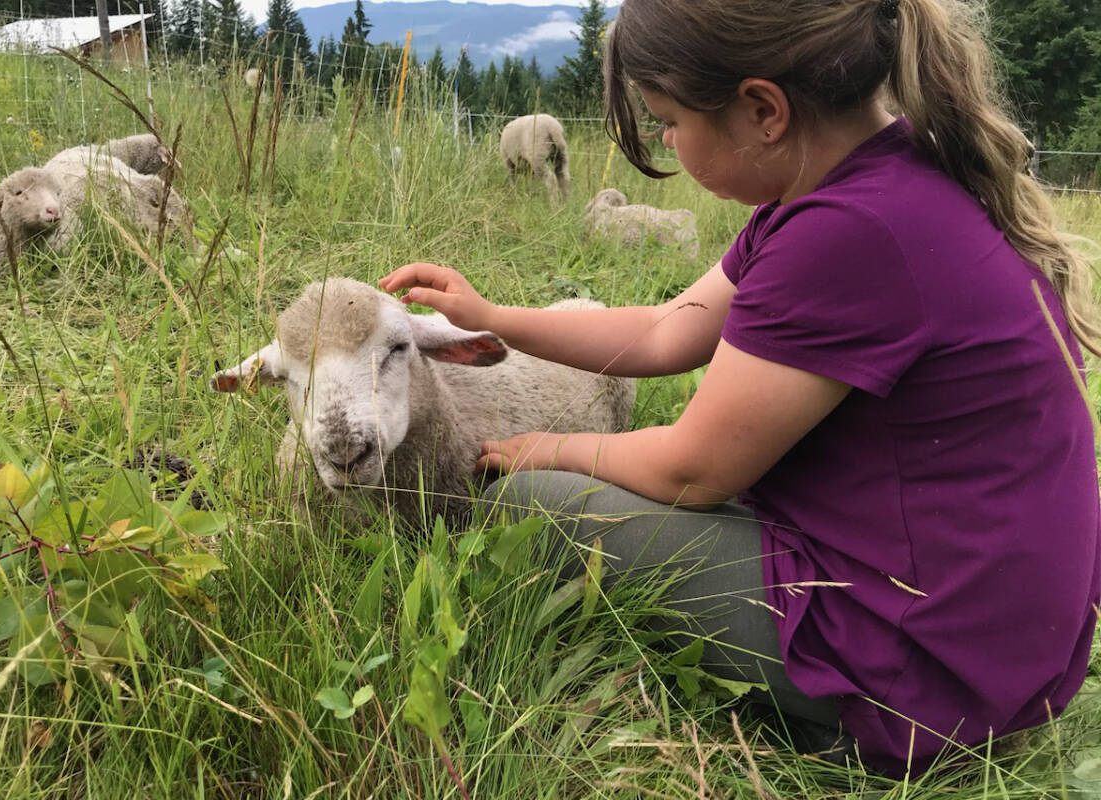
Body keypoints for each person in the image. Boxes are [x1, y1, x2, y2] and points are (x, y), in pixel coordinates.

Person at [379, 0, 1101, 776]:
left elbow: (693, 471)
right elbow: (667, 330)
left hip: (932, 668)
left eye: (669, 119)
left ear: (763, 110)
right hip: (982, 620)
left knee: (528, 505)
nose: (663, 140)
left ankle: (844, 726)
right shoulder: (860, 180)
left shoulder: (849, 232)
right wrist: (493, 317)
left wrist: (542, 448)